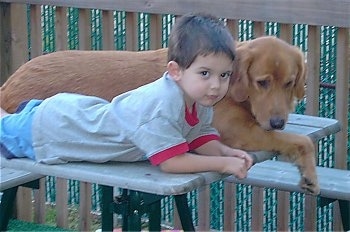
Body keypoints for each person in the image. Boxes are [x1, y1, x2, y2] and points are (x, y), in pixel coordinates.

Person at [0, 13, 252, 179]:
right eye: (205, 73)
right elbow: (171, 162)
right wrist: (221, 164)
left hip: (72, 114)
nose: (216, 85)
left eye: (224, 75)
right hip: (51, 132)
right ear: (175, 71)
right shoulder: (162, 106)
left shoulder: (200, 98)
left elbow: (197, 137)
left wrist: (224, 152)